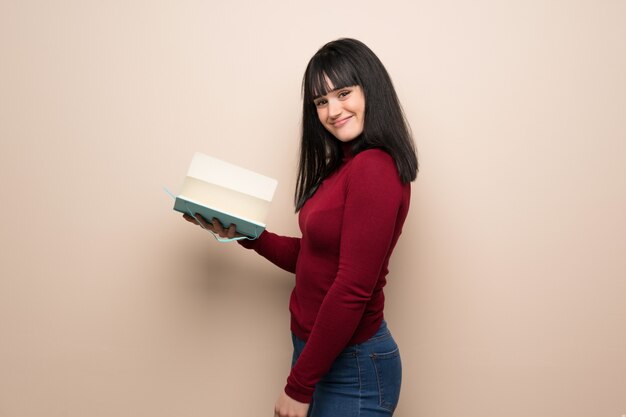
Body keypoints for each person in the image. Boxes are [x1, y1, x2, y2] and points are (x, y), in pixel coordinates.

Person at [183, 38, 418, 417]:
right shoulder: (343, 167)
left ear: (370, 90)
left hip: (353, 366)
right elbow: (315, 257)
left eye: (343, 93)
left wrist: (299, 386)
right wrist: (247, 234)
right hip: (318, 353)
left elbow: (353, 288)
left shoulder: (375, 167)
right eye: (321, 101)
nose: (332, 110)